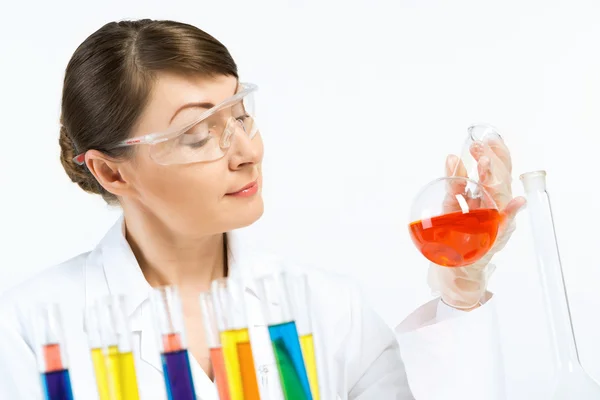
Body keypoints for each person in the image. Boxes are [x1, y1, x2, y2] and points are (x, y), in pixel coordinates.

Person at [0, 19, 525, 399]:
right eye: (198, 135)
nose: (247, 152)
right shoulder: (29, 330)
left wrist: (462, 289)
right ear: (112, 172)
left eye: (241, 117)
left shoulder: (325, 308)